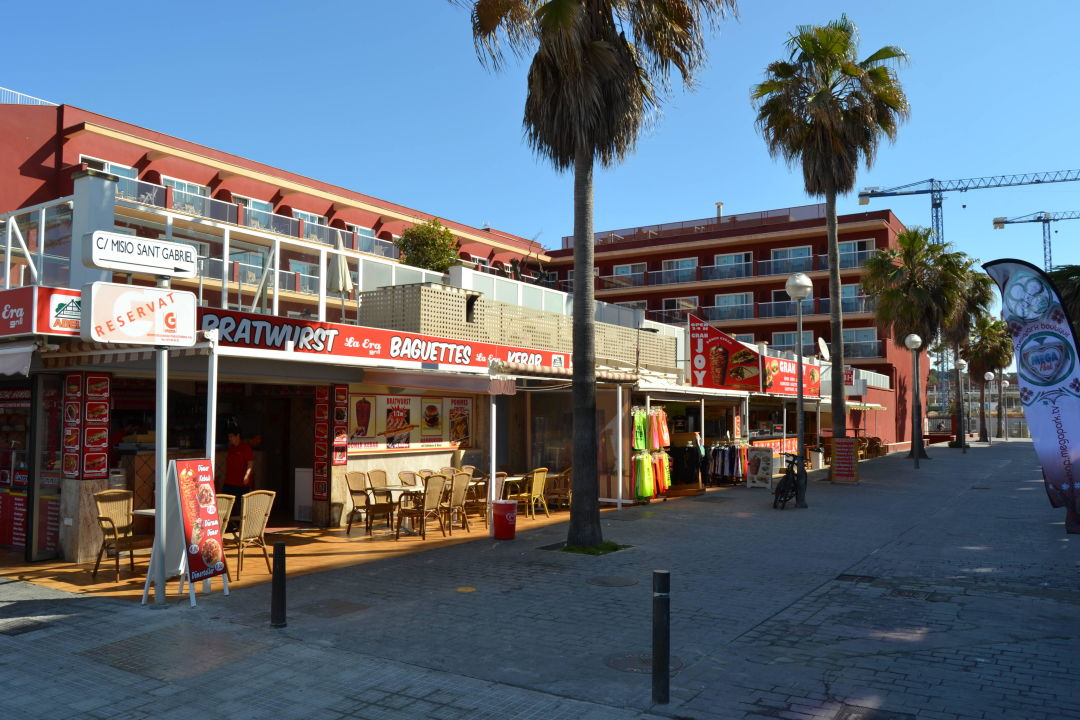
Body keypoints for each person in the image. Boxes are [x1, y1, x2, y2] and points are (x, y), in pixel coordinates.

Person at [222, 430, 254, 498]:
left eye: (231, 436)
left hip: (241, 483)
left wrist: (247, 475)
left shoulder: (245, 448)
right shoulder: (231, 448)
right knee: (224, 503)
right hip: (229, 482)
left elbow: (250, 463)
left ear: (238, 436)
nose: (230, 439)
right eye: (229, 437)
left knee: (241, 505)